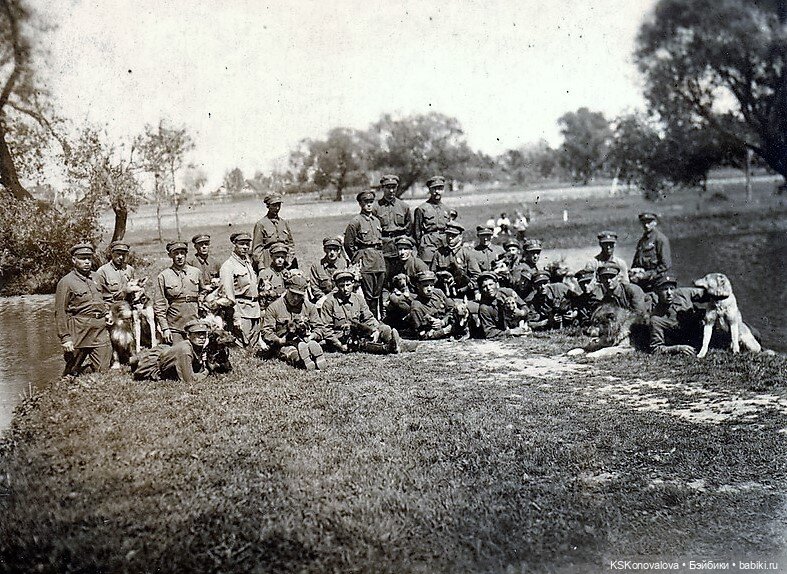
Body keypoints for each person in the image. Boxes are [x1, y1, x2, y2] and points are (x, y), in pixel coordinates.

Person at [55, 243, 112, 378]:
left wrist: (108, 311)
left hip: (99, 329)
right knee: (71, 370)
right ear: (74, 260)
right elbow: (60, 312)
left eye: (89, 258)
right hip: (79, 329)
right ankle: (72, 375)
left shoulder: (97, 277)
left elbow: (108, 296)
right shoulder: (66, 282)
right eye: (82, 258)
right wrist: (65, 338)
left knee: (103, 370)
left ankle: (84, 373)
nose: (87, 262)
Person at [320, 270, 401, 354]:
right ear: (336, 286)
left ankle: (394, 343)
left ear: (353, 284)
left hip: (357, 333)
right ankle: (388, 348)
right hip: (341, 338)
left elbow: (368, 318)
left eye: (348, 285)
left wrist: (375, 330)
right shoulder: (329, 302)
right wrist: (339, 345)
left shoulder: (358, 299)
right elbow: (326, 329)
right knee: (360, 343)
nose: (345, 289)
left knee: (385, 328)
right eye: (341, 286)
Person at [261, 274, 327, 370]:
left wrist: (312, 335)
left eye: (299, 295)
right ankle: (305, 361)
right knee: (293, 353)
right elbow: (266, 332)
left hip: (304, 340)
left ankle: (314, 354)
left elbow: (320, 328)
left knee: (309, 345)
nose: (296, 298)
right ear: (287, 289)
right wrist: (278, 340)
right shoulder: (274, 307)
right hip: (284, 344)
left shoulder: (310, 307)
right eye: (293, 294)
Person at [344, 190, 386, 318]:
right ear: (360, 203)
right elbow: (348, 244)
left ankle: (378, 319)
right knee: (369, 295)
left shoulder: (376, 221)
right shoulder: (355, 222)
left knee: (378, 294)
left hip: (379, 260)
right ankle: (370, 321)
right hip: (366, 262)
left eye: (371, 202)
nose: (368, 205)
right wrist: (358, 258)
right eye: (365, 202)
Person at [154, 241, 205, 344]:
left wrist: (201, 301)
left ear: (186, 254)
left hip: (194, 322)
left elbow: (204, 291)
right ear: (170, 255)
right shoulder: (164, 276)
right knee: (178, 354)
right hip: (175, 325)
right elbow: (159, 305)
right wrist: (165, 328)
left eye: (182, 253)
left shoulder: (196, 272)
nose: (179, 256)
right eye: (176, 253)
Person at [131, 319, 210, 383]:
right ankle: (134, 360)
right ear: (188, 335)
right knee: (138, 361)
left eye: (204, 333)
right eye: (197, 334)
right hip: (152, 364)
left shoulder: (196, 346)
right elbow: (189, 380)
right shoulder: (185, 350)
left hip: (165, 353)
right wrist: (205, 373)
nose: (202, 337)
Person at [219, 232, 261, 347]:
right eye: (242, 244)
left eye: (247, 244)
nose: (245, 247)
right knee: (242, 345)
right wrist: (235, 315)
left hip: (254, 309)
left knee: (253, 346)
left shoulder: (248, 263)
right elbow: (228, 294)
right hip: (241, 310)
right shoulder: (228, 266)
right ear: (234, 244)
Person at [373, 174, 413, 284]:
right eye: (388, 187)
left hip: (400, 248)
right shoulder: (376, 208)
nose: (391, 190)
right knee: (384, 279)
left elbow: (409, 229)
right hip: (384, 248)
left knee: (401, 278)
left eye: (393, 187)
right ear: (383, 188)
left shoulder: (404, 206)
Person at [648, 275, 704, 355]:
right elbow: (656, 349)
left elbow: (707, 293)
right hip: (687, 341)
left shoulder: (683, 293)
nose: (669, 293)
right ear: (657, 292)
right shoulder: (656, 319)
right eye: (664, 289)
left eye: (672, 289)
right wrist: (677, 348)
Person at [476, 271, 529, 338]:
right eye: (484, 286)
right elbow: (489, 332)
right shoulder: (484, 308)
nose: (488, 288)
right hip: (504, 329)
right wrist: (511, 332)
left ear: (497, 284)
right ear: (481, 290)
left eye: (491, 284)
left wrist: (521, 313)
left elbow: (525, 307)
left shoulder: (508, 292)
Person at [408, 270, 460, 340]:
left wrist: (443, 322)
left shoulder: (438, 292)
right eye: (425, 286)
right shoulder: (416, 307)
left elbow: (452, 309)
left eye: (431, 285)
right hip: (441, 331)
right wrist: (445, 331)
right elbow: (422, 335)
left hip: (449, 323)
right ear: (418, 286)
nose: (429, 289)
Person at [413, 176, 451, 266]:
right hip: (428, 244)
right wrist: (422, 246)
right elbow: (416, 232)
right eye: (434, 189)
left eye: (440, 188)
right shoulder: (422, 209)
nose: (437, 192)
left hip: (443, 244)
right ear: (429, 190)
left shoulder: (447, 209)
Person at [252, 193, 295, 269]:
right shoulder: (261, 224)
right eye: (274, 205)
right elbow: (257, 249)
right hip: (268, 260)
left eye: (279, 205)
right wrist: (261, 266)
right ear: (268, 206)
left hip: (284, 260)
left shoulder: (284, 223)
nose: (277, 208)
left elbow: (290, 244)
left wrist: (289, 259)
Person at [631, 212, 672, 292]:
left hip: (657, 282)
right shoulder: (642, 241)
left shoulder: (660, 239)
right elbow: (636, 261)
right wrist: (634, 271)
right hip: (643, 281)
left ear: (655, 223)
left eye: (649, 222)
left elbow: (665, 265)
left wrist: (646, 275)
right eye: (644, 222)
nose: (646, 225)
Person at [430, 222, 470, 296]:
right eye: (448, 235)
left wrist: (465, 288)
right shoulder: (439, 253)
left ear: (460, 236)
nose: (450, 238)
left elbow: (476, 275)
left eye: (453, 236)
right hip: (443, 293)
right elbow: (432, 274)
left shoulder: (466, 253)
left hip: (462, 294)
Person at [463, 225, 505, 290]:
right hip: (482, 287)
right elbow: (473, 274)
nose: (485, 239)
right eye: (482, 236)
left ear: (491, 236)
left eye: (488, 236)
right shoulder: (473, 253)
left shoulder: (499, 250)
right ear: (478, 236)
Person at [308, 236, 347, 303]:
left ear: (339, 250)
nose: (332, 252)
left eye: (335, 249)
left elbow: (343, 286)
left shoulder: (343, 265)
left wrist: (328, 297)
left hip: (340, 299)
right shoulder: (317, 266)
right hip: (321, 300)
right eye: (329, 249)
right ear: (324, 250)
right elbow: (314, 286)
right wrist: (324, 299)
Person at [257, 242, 290, 311]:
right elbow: (261, 297)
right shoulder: (265, 274)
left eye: (282, 257)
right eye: (277, 257)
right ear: (271, 256)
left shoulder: (288, 274)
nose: (280, 260)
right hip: (269, 308)